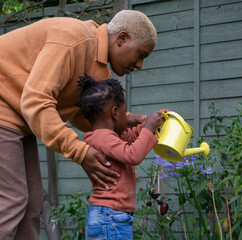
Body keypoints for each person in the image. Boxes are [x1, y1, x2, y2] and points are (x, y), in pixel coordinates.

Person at [0, 10, 157, 240]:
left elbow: (82, 115)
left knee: (32, 203)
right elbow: (36, 101)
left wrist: (126, 120)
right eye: (141, 54)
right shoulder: (74, 39)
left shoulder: (97, 66)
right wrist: (79, 151)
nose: (141, 65)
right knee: (12, 200)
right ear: (122, 39)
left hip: (17, 117)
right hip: (6, 109)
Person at [74, 75, 166, 239]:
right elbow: (132, 155)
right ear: (115, 112)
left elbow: (130, 137)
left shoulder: (106, 136)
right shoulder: (103, 138)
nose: (127, 116)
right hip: (110, 218)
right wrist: (149, 128)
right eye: (125, 112)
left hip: (110, 216)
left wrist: (147, 125)